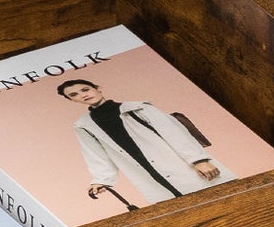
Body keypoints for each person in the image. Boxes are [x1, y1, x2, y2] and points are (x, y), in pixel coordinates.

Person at [55, 77, 230, 207]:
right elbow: (95, 155)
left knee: (224, 199)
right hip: (146, 174)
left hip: (182, 166)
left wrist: (199, 160)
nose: (83, 95)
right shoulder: (84, 126)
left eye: (85, 89)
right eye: (74, 95)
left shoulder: (138, 108)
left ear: (98, 88)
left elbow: (175, 133)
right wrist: (102, 180)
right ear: (71, 100)